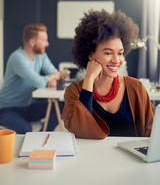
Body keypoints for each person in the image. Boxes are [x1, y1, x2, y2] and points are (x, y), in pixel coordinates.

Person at [62, 10, 155, 139]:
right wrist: (89, 79)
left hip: (130, 159)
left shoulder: (136, 87)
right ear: (91, 55)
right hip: (91, 158)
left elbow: (153, 132)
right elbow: (80, 132)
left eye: (120, 53)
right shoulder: (74, 92)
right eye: (108, 53)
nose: (116, 60)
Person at [0, 23, 60, 133]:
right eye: (44, 40)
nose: (47, 44)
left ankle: (42, 135)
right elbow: (39, 82)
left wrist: (53, 78)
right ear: (32, 42)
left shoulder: (41, 55)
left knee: (61, 106)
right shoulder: (17, 58)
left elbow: (57, 74)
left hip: (27, 107)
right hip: (7, 109)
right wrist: (50, 78)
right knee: (26, 129)